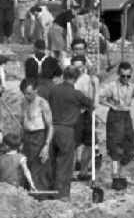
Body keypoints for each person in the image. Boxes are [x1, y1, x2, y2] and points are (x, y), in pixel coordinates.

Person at [98, 61, 134, 191]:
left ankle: (122, 175)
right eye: (123, 76)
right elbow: (99, 97)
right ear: (118, 74)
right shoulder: (111, 86)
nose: (126, 79)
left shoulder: (132, 87)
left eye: (128, 76)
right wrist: (111, 105)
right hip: (115, 117)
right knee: (115, 147)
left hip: (126, 117)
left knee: (129, 146)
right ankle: (115, 177)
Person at [47, 66, 93, 201]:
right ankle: (62, 194)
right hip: (66, 130)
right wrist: (94, 86)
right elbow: (92, 104)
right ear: (76, 78)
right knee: (65, 164)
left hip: (52, 128)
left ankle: (51, 191)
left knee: (52, 162)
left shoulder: (54, 90)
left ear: (63, 76)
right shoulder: (76, 94)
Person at [20, 78, 54, 191]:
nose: (26, 96)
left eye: (29, 93)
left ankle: (41, 194)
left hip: (39, 136)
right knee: (27, 166)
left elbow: (50, 126)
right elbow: (22, 122)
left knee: (40, 167)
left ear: (36, 90)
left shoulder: (42, 103)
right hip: (26, 137)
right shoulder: (23, 102)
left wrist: (46, 145)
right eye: (24, 93)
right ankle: (29, 191)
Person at [71, 55, 96, 181]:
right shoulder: (70, 81)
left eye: (81, 67)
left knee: (90, 142)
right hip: (75, 114)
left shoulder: (88, 79)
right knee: (73, 143)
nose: (78, 70)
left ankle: (84, 171)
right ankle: (70, 172)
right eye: (76, 67)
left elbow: (93, 96)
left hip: (88, 113)